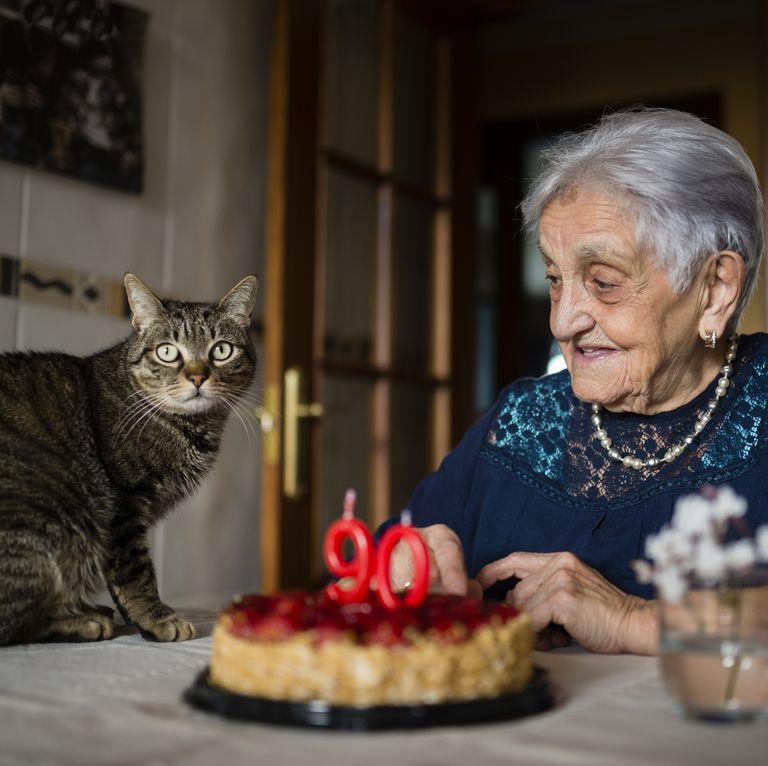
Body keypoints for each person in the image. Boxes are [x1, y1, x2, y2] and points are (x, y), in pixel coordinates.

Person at [386, 107, 768, 655]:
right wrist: (408, 557)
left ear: (715, 288)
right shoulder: (521, 420)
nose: (563, 322)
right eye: (554, 280)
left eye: (604, 283)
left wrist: (635, 619)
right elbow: (381, 550)